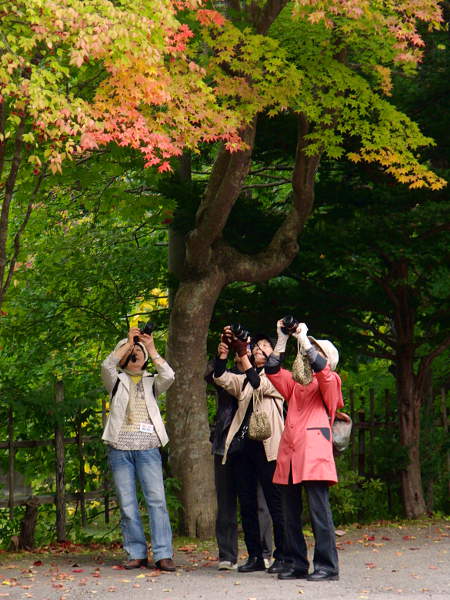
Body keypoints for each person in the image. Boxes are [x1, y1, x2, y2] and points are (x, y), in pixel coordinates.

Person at [264, 320, 343, 581]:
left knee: (319, 513)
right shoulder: (297, 384)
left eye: (317, 351)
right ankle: (297, 563)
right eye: (311, 348)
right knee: (289, 515)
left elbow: (324, 373)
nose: (311, 353)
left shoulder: (331, 381)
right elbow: (272, 370)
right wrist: (282, 339)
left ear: (327, 360)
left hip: (314, 455)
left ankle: (327, 567)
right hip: (290, 453)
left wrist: (305, 340)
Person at [101, 327, 176, 571]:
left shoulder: (153, 381)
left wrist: (150, 348)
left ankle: (163, 554)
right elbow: (106, 366)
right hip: (120, 448)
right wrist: (128, 343)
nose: (135, 355)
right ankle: (136, 552)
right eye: (131, 353)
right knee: (127, 503)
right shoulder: (116, 381)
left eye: (138, 352)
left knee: (157, 500)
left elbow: (169, 375)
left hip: (148, 448)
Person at [213, 327, 286, 574]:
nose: (258, 349)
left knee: (274, 502)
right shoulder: (243, 378)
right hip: (244, 448)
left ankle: (282, 555)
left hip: (268, 447)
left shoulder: (278, 377)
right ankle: (254, 555)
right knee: (247, 503)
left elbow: (258, 383)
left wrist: (242, 352)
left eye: (265, 346)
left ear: (275, 354)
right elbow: (221, 377)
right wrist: (223, 354)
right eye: (256, 346)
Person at [205, 356, 274, 571]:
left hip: (255, 443)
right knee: (226, 500)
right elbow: (211, 376)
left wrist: (247, 361)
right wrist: (223, 354)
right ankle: (227, 555)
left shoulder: (263, 374)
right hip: (225, 442)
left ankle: (264, 552)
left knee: (260, 500)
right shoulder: (225, 372)